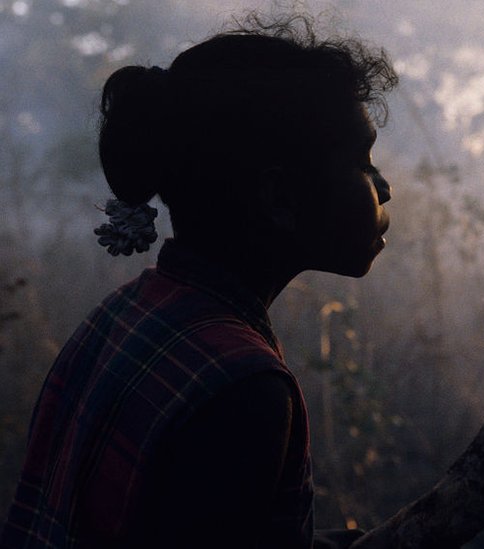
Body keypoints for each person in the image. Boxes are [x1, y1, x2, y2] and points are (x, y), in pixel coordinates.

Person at [0, 13, 397, 549]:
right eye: (362, 161)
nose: (384, 187)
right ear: (279, 199)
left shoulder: (122, 312)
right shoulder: (246, 389)